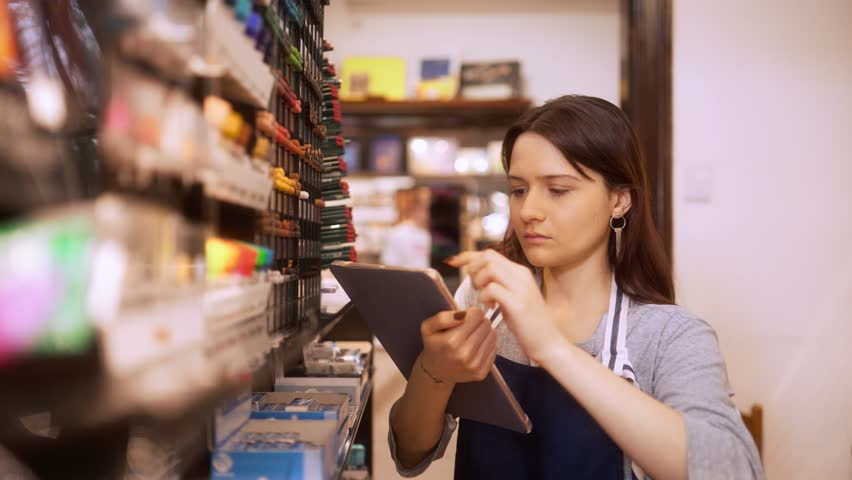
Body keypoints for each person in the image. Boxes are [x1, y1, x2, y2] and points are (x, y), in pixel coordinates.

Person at [388, 96, 764, 479]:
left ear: (619, 200)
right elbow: (410, 452)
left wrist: (550, 346)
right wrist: (431, 371)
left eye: (558, 190)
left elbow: (733, 470)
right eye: (519, 189)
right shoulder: (484, 298)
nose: (529, 210)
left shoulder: (669, 335)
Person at [381, 186, 432, 269]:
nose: (426, 213)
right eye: (422, 207)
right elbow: (389, 267)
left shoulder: (424, 234)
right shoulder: (397, 234)